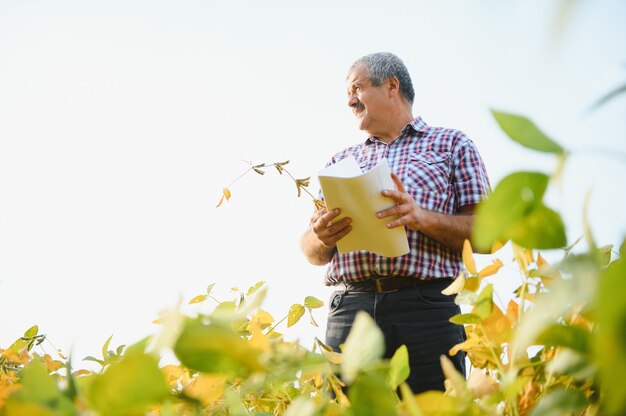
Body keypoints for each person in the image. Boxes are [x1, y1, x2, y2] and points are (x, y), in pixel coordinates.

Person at [300, 52, 490, 394]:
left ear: (391, 86)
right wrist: (320, 236)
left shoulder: (451, 145)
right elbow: (312, 252)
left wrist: (419, 217)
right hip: (350, 310)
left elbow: (486, 235)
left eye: (357, 87)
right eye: (348, 92)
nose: (349, 99)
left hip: (426, 309)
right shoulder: (340, 162)